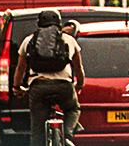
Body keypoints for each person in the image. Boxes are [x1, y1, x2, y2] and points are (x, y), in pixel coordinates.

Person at [13, 9, 85, 146]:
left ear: (39, 24)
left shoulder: (28, 41)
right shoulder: (69, 40)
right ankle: (67, 137)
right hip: (64, 87)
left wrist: (17, 87)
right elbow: (78, 67)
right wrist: (79, 85)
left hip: (38, 88)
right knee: (72, 109)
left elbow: (21, 68)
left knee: (37, 131)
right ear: (59, 23)